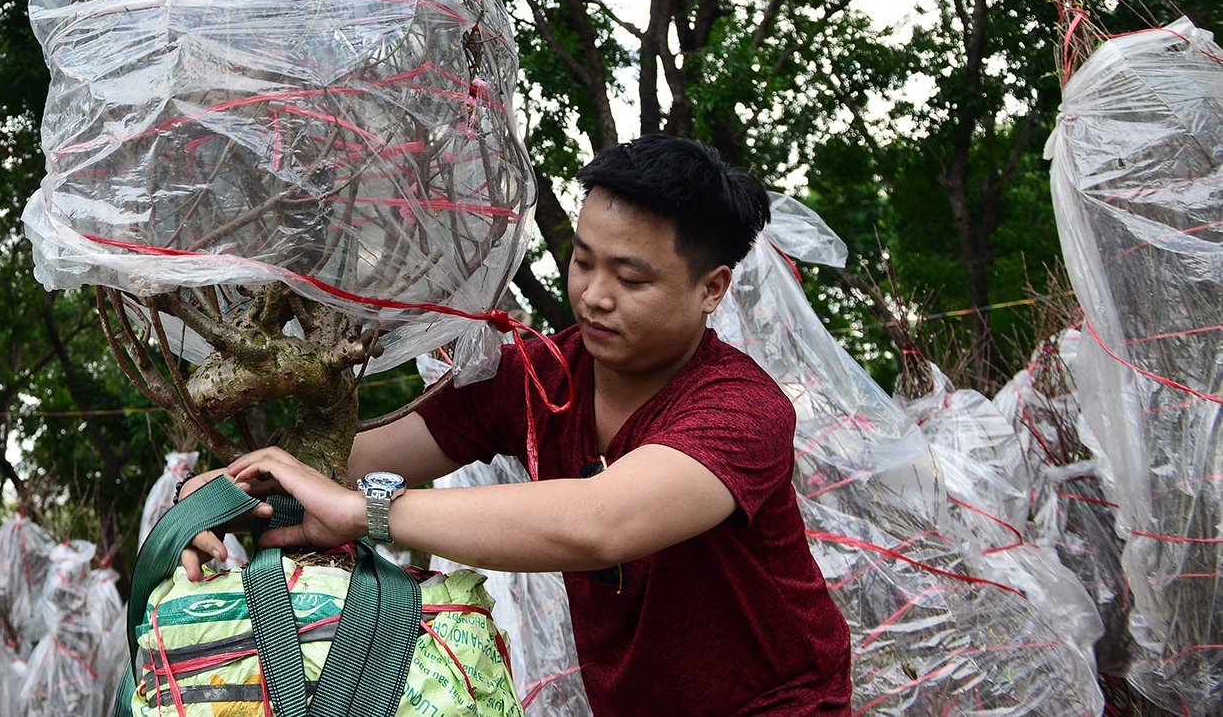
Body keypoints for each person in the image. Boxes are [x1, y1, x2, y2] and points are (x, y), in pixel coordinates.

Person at [182, 136, 853, 717]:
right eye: (585, 260)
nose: (592, 294)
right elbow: (347, 460)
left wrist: (365, 514)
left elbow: (600, 522)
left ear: (711, 289)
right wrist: (216, 494)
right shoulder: (536, 379)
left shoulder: (741, 408)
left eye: (631, 278)